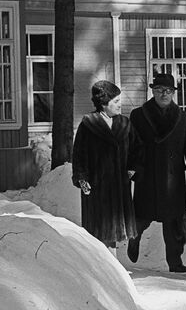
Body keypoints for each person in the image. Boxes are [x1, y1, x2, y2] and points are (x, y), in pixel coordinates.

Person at [127, 72, 186, 272]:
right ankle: (134, 238)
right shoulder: (138, 115)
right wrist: (132, 168)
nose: (164, 94)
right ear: (153, 91)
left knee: (175, 221)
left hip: (172, 176)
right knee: (142, 216)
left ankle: (175, 263)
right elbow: (131, 144)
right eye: (160, 90)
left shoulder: (183, 118)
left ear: (173, 93)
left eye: (168, 91)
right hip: (147, 174)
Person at [71, 80, 138, 250]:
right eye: (116, 101)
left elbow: (137, 148)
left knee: (115, 231)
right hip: (97, 186)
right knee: (99, 231)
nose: (120, 104)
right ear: (104, 103)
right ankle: (100, 262)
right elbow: (79, 154)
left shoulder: (125, 123)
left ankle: (111, 260)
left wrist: (132, 168)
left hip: (119, 184)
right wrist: (82, 178)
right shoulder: (88, 124)